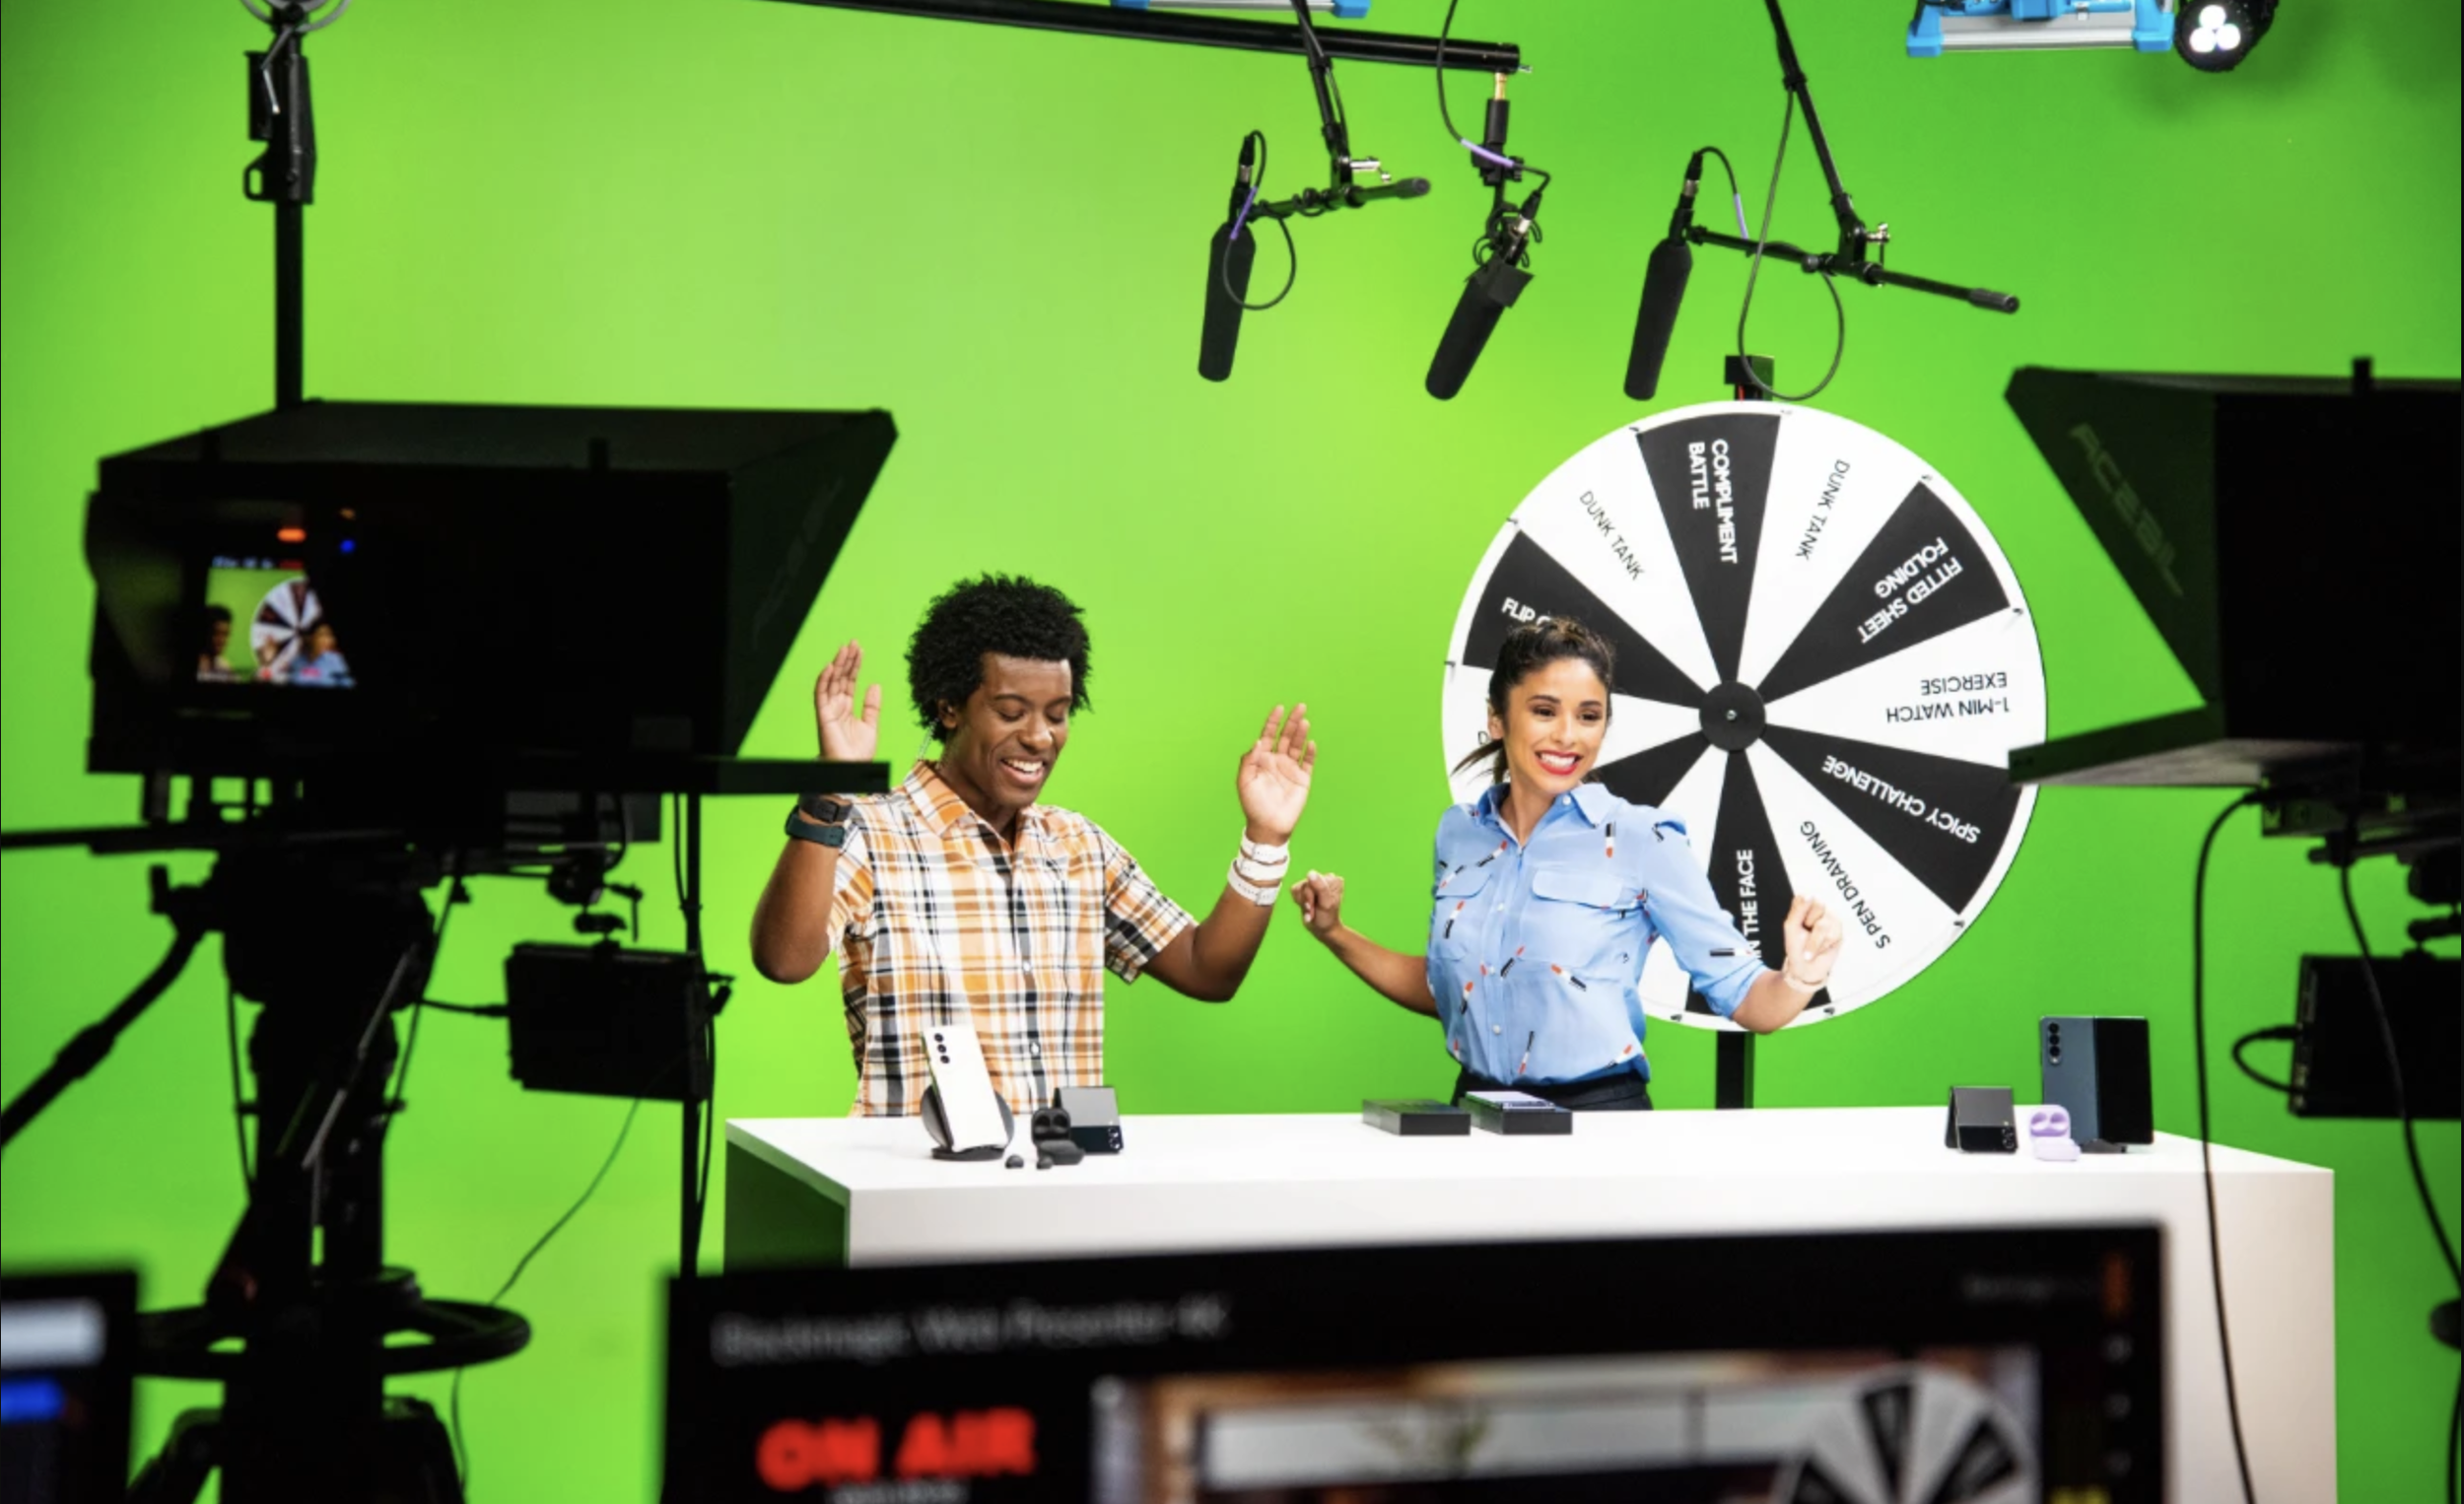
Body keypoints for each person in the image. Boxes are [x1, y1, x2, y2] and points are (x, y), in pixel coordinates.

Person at [750, 575, 1316, 1117]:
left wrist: (1265, 839)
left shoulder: (1079, 848)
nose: (1040, 737)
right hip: (919, 1188)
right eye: (1011, 712)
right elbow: (784, 961)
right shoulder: (869, 832)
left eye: (1058, 714)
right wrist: (828, 792)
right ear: (949, 709)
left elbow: (1207, 971)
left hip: (1059, 1187)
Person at [1291, 616, 1841, 1111]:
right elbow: (1453, 989)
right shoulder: (1459, 833)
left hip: (1598, 1125)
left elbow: (1747, 998)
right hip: (1476, 1118)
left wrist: (1799, 976)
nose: (1567, 736)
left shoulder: (1642, 839)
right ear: (1497, 719)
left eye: (1589, 715)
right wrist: (1334, 932)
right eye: (1544, 711)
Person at [288, 620, 353, 687]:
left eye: (330, 636)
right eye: (322, 635)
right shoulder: (296, 661)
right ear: (310, 637)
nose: (326, 640)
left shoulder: (338, 661)